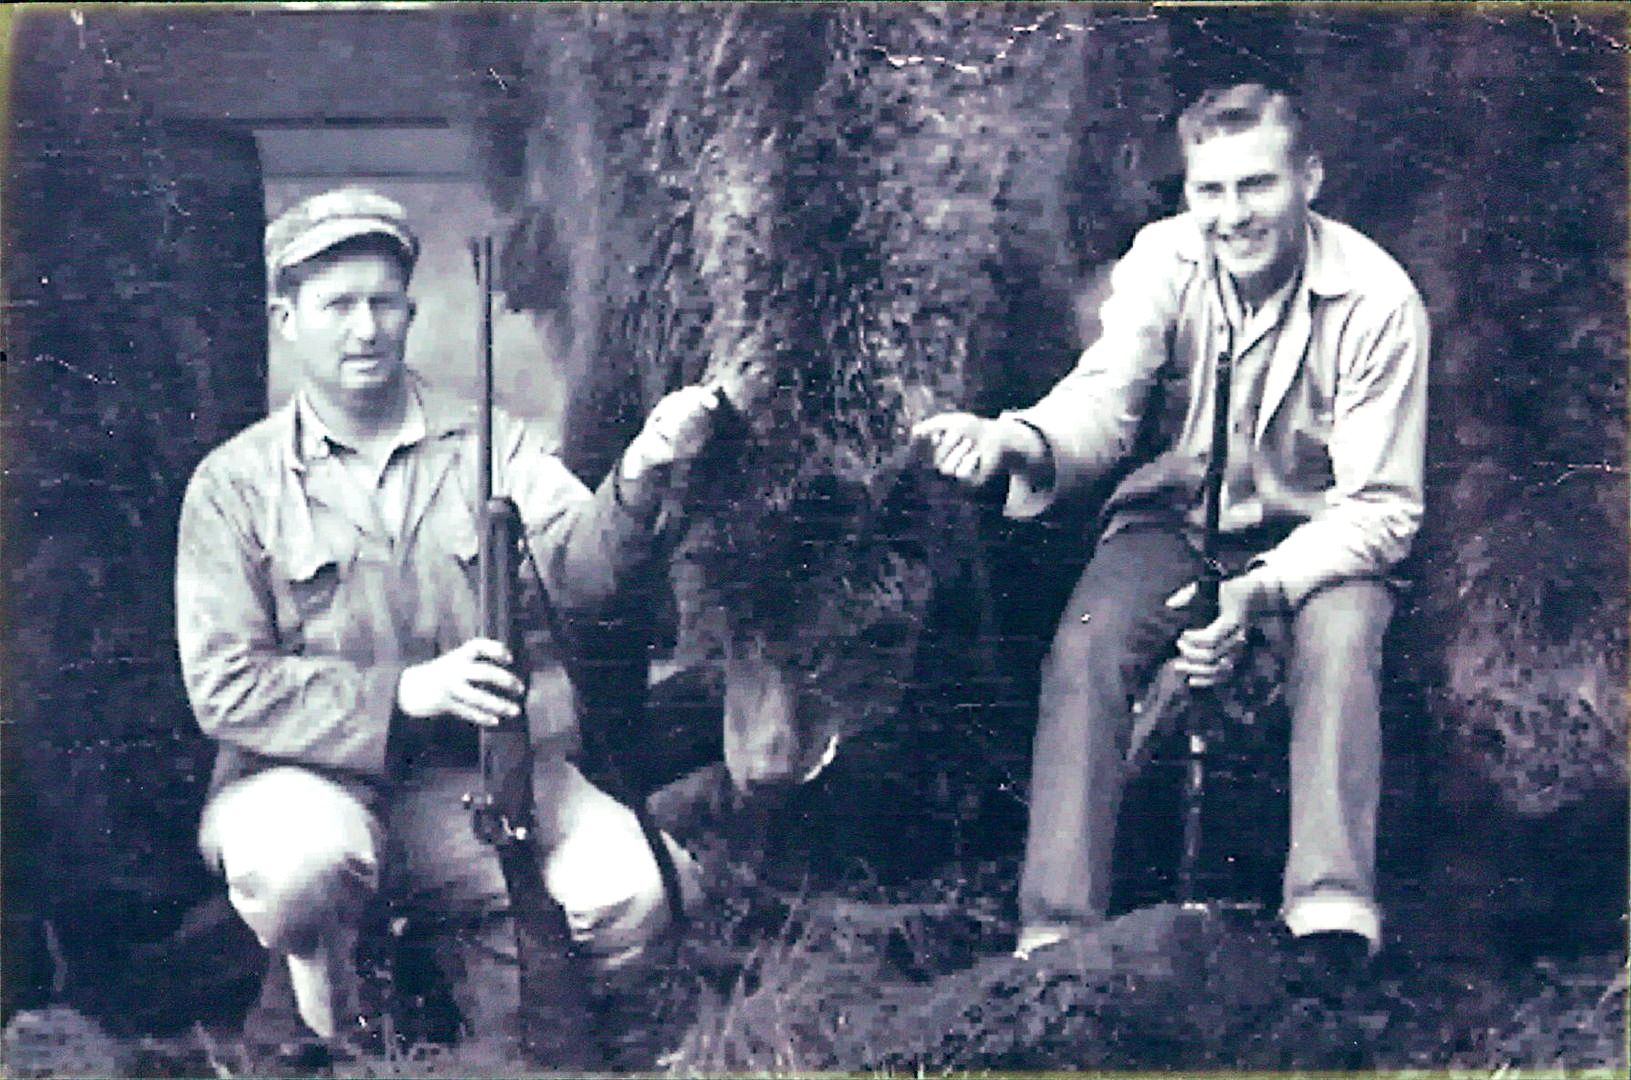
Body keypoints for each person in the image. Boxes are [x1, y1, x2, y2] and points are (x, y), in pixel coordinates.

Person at [175, 187, 720, 1063]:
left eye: (383, 303)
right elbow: (225, 686)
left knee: (642, 893)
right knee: (298, 868)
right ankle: (331, 1017)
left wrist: (642, 473)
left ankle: (484, 989)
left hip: (476, 782)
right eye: (338, 306)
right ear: (286, 321)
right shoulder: (232, 486)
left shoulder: (499, 446)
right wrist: (404, 694)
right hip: (304, 785)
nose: (365, 329)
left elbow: (584, 573)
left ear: (409, 312)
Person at [914, 84, 1428, 977]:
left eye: (1257, 185)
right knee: (1087, 641)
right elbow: (1103, 404)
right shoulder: (1163, 258)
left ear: (1308, 178)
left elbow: (1382, 508)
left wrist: (1261, 589)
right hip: (1176, 523)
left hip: (1318, 543)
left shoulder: (1378, 300)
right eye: (1209, 191)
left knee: (1342, 636)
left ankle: (1328, 917)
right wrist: (1013, 439)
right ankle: (1054, 937)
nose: (1232, 217)